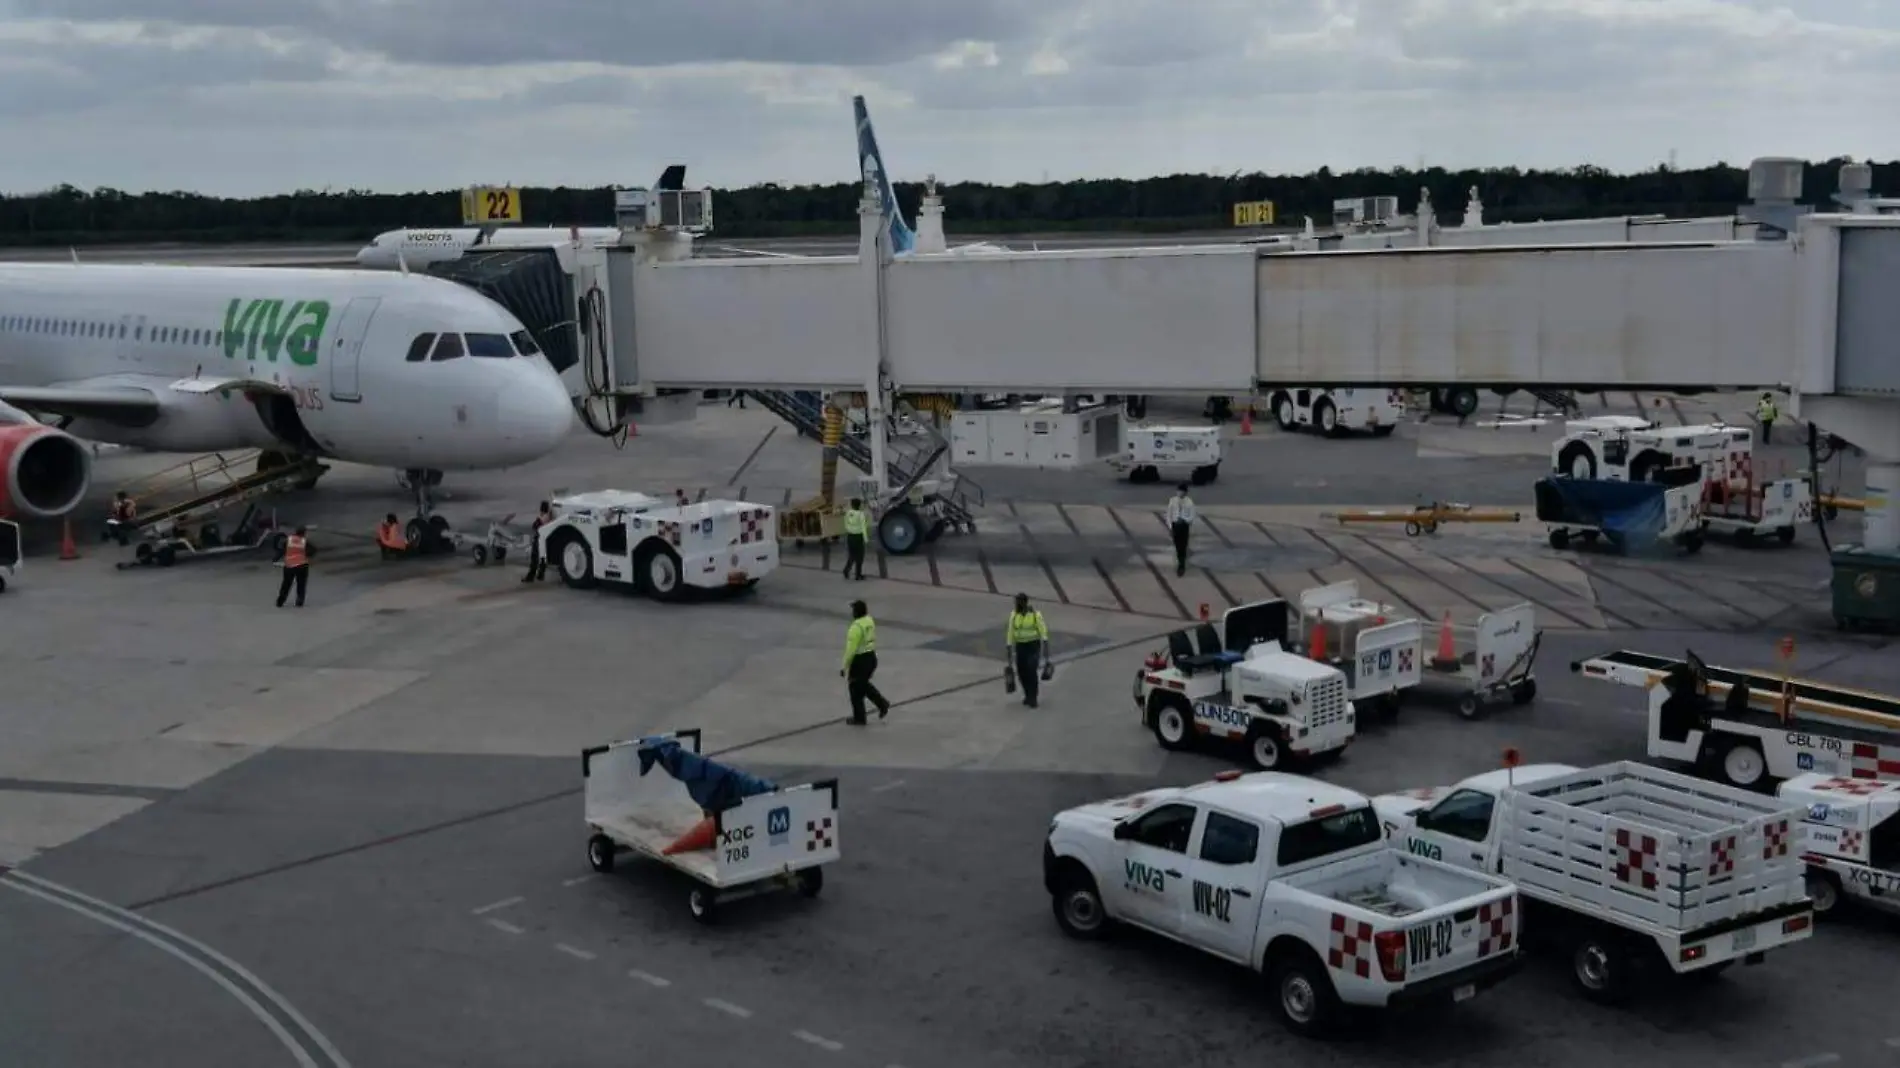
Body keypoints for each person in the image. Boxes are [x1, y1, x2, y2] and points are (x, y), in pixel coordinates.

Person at [840, 599, 890, 725]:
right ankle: (860, 717)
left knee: (857, 685)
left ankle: (881, 703)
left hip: (860, 660)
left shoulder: (855, 627)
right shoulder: (869, 621)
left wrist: (844, 666)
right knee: (858, 686)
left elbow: (851, 649)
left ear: (856, 612)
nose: (852, 612)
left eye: (853, 610)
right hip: (871, 657)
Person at [1005, 592, 1052, 708]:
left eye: (1018, 603)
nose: (1016, 605)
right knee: (1022, 673)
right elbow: (1010, 634)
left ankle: (1033, 697)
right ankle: (1027, 694)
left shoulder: (1036, 615)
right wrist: (1009, 652)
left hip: (1033, 646)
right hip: (1020, 646)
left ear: (1024, 603)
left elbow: (1044, 634)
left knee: (1031, 671)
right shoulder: (1014, 615)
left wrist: (1046, 656)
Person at [276, 525, 312, 607]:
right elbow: (312, 551)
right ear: (304, 533)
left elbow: (283, 549)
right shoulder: (304, 541)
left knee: (286, 584)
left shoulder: (289, 539)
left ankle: (280, 601)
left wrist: (277, 558)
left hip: (289, 565)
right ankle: (299, 602)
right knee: (301, 584)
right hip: (302, 565)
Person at [1165, 484, 1196, 576]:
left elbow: (1192, 515)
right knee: (1177, 545)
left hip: (1184, 525)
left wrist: (1185, 520)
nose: (1180, 493)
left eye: (1182, 491)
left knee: (1183, 545)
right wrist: (1170, 526)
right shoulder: (1173, 501)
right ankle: (1180, 560)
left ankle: (1181, 565)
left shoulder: (1189, 502)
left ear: (1185, 492)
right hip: (1175, 525)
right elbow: (1169, 514)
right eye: (1179, 491)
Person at [522, 500, 553, 583]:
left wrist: (539, 518)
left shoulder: (543, 517)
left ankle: (531, 576)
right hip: (546, 538)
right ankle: (540, 575)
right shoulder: (549, 516)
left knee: (534, 557)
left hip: (539, 538)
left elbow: (535, 525)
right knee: (543, 558)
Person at [841, 497, 868, 581]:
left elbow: (845, 523)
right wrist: (866, 539)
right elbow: (863, 527)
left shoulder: (848, 513)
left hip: (850, 536)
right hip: (858, 537)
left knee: (852, 555)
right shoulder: (861, 515)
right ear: (859, 505)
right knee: (860, 557)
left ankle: (846, 570)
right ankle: (858, 575)